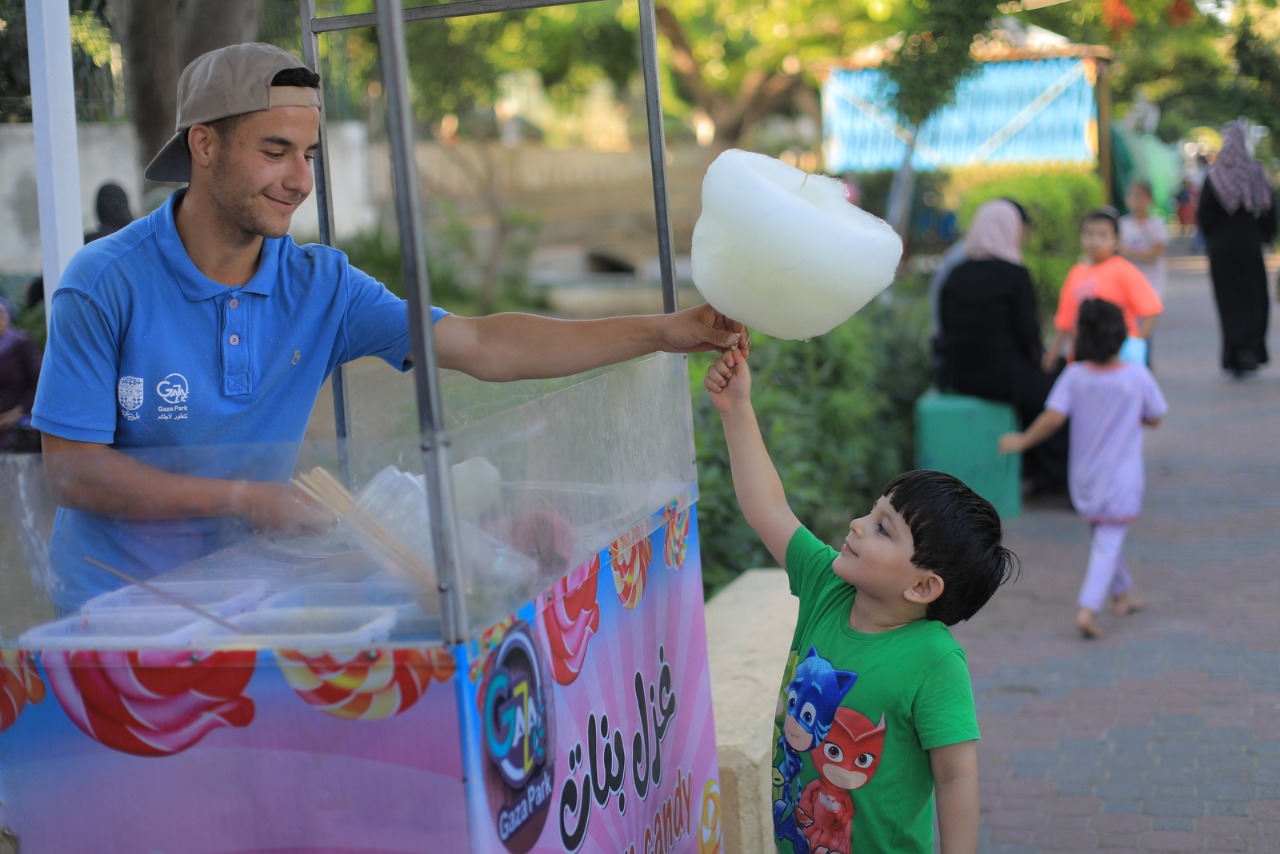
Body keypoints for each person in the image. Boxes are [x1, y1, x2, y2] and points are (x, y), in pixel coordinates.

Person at [31, 43, 746, 613]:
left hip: (248, 598)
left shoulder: (323, 284)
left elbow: (482, 343)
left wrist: (663, 330)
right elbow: (70, 470)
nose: (300, 179)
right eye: (274, 150)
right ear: (204, 147)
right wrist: (247, 500)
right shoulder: (103, 281)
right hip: (110, 611)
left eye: (308, 155)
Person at [704, 347, 1018, 854]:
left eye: (881, 529)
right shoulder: (828, 586)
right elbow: (769, 509)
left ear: (921, 587)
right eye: (871, 512)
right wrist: (737, 409)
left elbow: (956, 777)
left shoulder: (933, 659)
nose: (856, 525)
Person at [1000, 299, 1167, 640]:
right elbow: (1156, 416)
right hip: (1121, 480)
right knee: (1108, 538)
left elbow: (1052, 417)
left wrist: (1023, 440)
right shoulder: (1136, 377)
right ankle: (1087, 608)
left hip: (1084, 478)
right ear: (1122, 335)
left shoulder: (1074, 377)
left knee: (1105, 534)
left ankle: (1122, 596)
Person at [936, 198, 1067, 496]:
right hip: (1001, 378)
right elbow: (1028, 335)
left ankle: (1033, 469)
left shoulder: (956, 275)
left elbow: (944, 330)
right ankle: (1050, 475)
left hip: (959, 377)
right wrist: (1043, 361)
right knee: (1060, 387)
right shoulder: (1015, 275)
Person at [1196, 121, 1276, 379]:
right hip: (1249, 244)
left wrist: (1213, 238)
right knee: (1254, 298)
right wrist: (1264, 235)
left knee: (1228, 301)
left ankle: (1235, 354)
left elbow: (1203, 215)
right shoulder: (1254, 172)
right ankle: (1250, 350)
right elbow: (1269, 210)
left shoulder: (1215, 176)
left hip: (1221, 248)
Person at [1044, 209, 1163, 371]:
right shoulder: (1076, 273)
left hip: (1118, 359)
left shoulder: (1123, 270)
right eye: (1089, 234)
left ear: (1116, 241)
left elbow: (1151, 309)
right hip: (1083, 358)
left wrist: (1137, 344)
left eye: (1103, 235)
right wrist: (1053, 353)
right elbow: (1065, 320)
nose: (1095, 242)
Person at [0, 297, 42, 453]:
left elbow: (38, 382)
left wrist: (16, 413)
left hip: (19, 424)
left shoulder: (21, 344)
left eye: (1, 314)